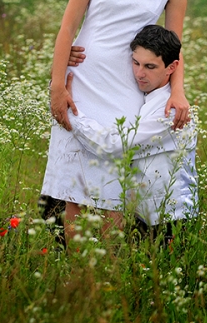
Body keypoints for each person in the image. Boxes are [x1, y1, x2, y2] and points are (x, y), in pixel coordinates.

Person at [41, 0, 189, 244]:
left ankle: (108, 275)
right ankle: (78, 274)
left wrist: (177, 90)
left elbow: (176, 44)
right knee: (75, 196)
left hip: (129, 82)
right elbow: (67, 28)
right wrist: (57, 86)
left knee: (115, 194)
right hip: (85, 76)